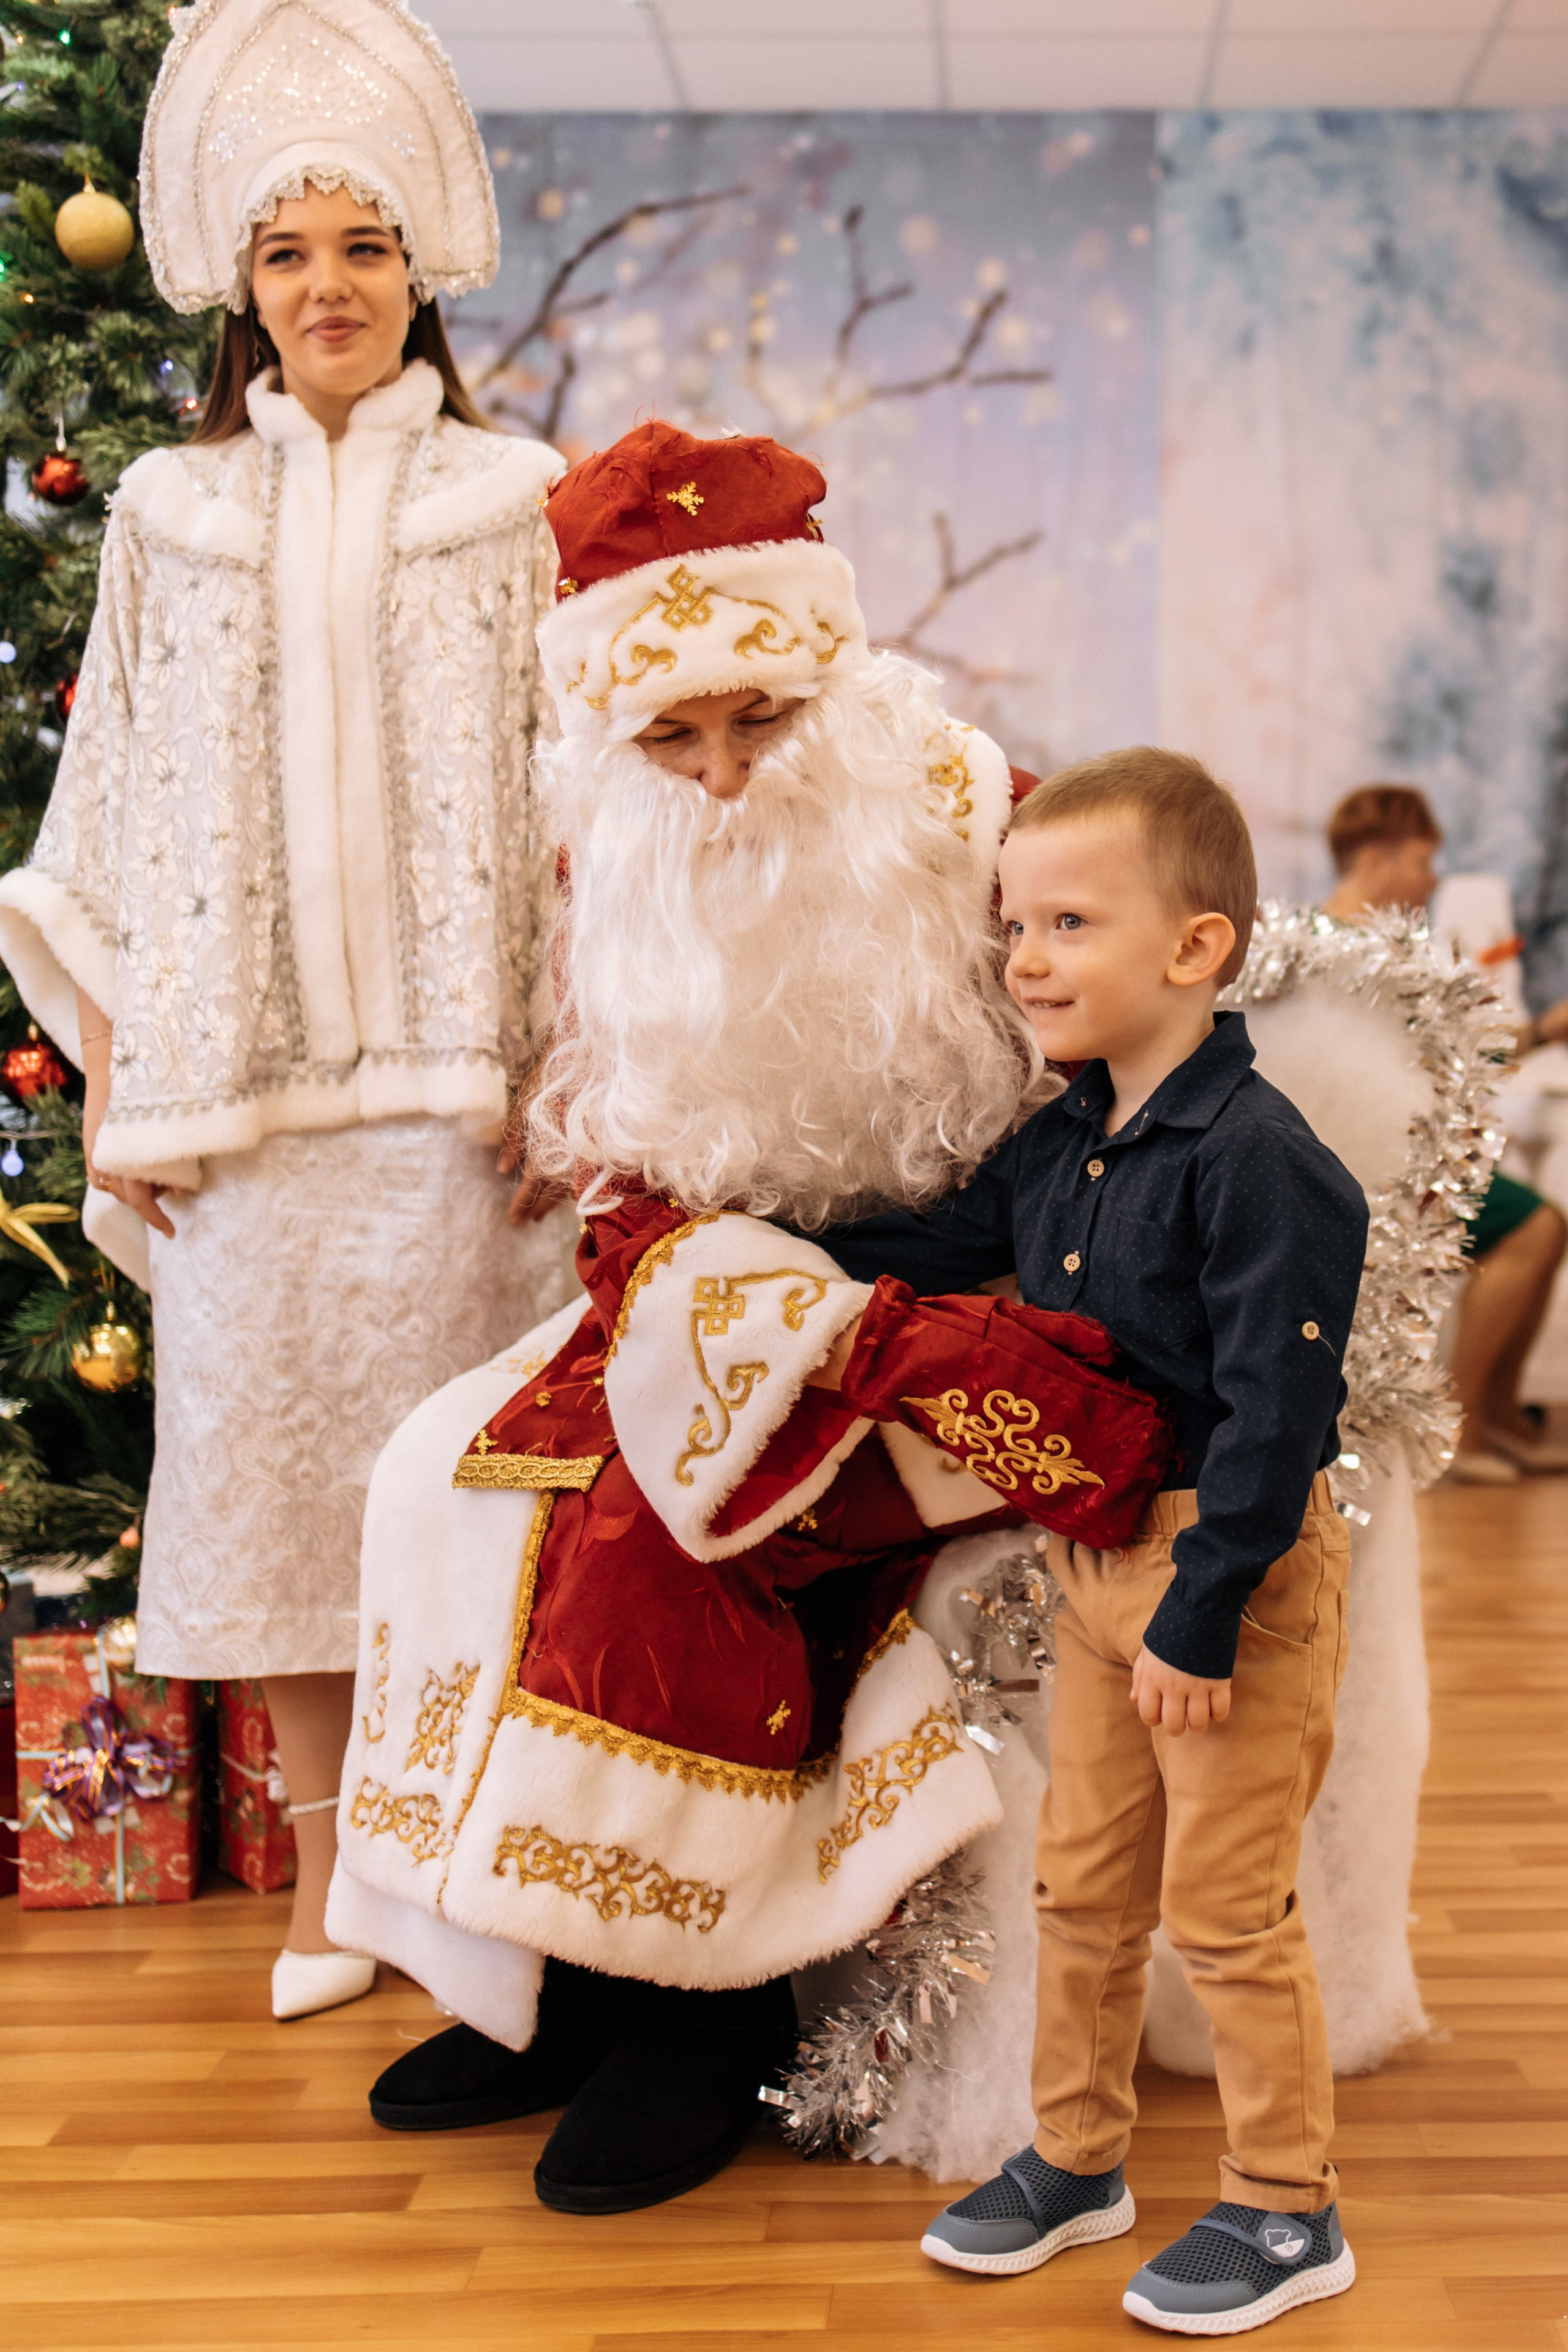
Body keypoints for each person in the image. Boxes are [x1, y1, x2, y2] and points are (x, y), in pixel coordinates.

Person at [326, 420, 1174, 2215]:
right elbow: (627, 1141)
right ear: (616, 737)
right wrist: (673, 1269)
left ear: (833, 684)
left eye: (758, 722)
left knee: (664, 1527)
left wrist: (863, 1293)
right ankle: (537, 1975)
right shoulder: (620, 854)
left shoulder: (978, 817)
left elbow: (1106, 1098)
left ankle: (696, 2003)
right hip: (711, 1292)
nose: (717, 774)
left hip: (951, 1297)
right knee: (442, 1475)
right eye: (671, 734)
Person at [0, 0, 567, 2019]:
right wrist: (139, 1057)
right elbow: (120, 792)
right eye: (287, 253)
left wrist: (558, 1052)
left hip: (460, 1107)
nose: (328, 286)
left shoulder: (519, 508)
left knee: (464, 1500)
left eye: (362, 246)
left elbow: (567, 788)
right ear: (243, 289)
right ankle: (336, 1885)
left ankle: (479, 1871)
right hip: (241, 1112)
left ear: (419, 268)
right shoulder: (171, 514)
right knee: (278, 1491)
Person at [831, 750, 1367, 2334]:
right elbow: (938, 1243)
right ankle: (1079, 2155)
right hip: (1096, 1566)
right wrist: (740, 1231)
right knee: (1083, 1885)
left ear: (1194, 949)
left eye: (1070, 922)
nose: (1029, 959)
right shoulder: (1067, 1137)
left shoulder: (1261, 1162)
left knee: (1226, 1907)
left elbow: (1281, 1415)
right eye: (1017, 927)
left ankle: (1287, 2208)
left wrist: (1203, 1619)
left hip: (1231, 1580)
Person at [1322, 784, 1568, 1483]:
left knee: (1542, 1227)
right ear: (1376, 857)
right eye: (1422, 860)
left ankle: (1493, 1415)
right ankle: (1464, 1427)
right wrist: (1543, 1030)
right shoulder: (1359, 953)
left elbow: (1444, 1053)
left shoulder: (1353, 944)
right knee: (1537, 1229)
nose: (1431, 879)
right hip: (1376, 1162)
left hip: (1392, 1149)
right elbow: (1446, 1056)